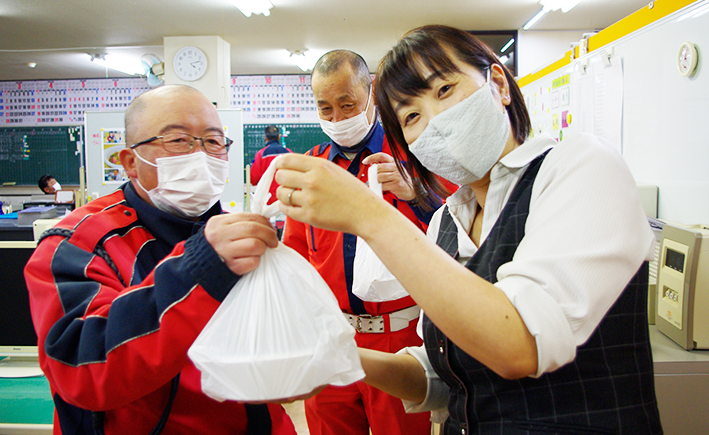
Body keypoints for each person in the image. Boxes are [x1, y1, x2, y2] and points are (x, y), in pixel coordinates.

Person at [274, 26, 663, 434]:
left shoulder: (579, 167)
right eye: (411, 116)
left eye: (444, 90)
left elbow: (519, 346)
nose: (434, 121)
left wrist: (370, 216)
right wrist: (340, 359)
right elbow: (444, 377)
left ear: (498, 83)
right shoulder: (446, 222)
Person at [24, 85, 297, 435]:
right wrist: (200, 267)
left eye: (213, 142)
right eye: (178, 141)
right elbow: (83, 369)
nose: (201, 155)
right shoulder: (78, 244)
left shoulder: (233, 233)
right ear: (130, 162)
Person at [281, 50, 436, 435]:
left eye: (347, 105)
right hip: (331, 335)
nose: (336, 119)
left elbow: (458, 235)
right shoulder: (312, 168)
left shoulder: (416, 157)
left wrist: (416, 194)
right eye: (325, 108)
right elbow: (295, 257)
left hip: (399, 336)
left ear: (372, 93)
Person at [250, 125, 292, 206]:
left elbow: (253, 179)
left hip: (267, 202)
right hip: (286, 201)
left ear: (265, 138)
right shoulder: (289, 154)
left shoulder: (261, 154)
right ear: (279, 137)